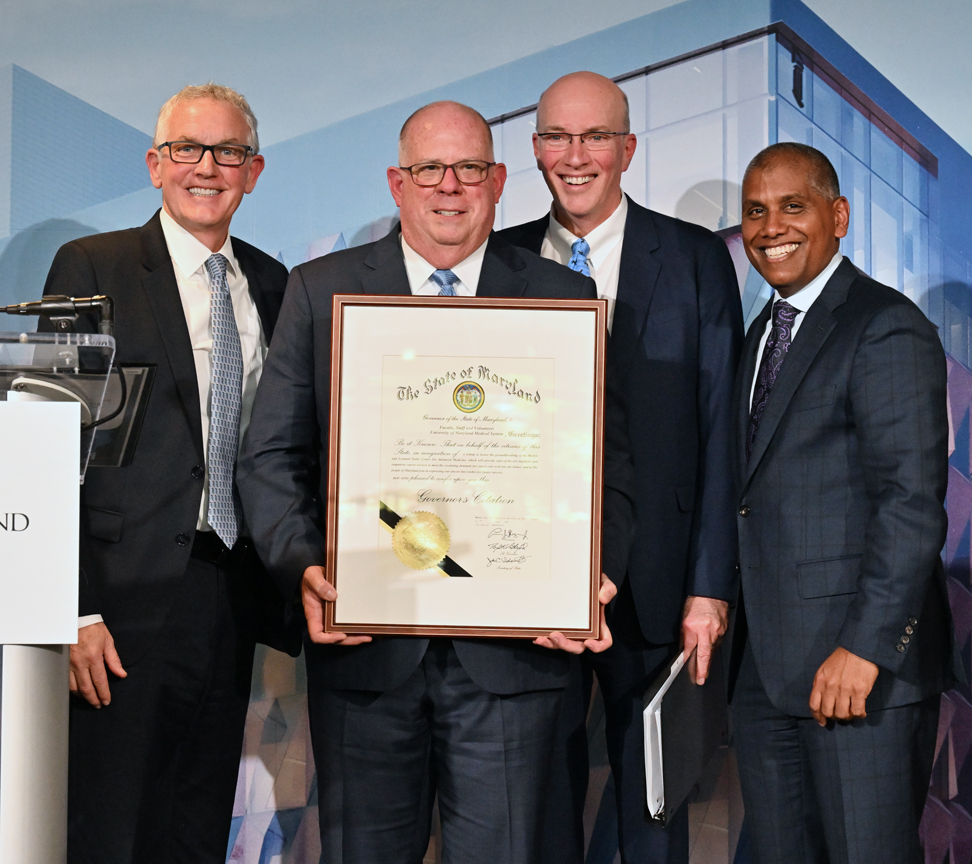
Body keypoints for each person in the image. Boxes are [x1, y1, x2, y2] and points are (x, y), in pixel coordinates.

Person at [238, 100, 631, 864]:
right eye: (429, 169)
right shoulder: (321, 290)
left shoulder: (563, 297)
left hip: (516, 661)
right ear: (398, 182)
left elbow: (609, 466)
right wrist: (307, 569)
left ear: (498, 180)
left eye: (470, 168)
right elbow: (270, 458)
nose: (450, 186)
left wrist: (592, 575)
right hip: (368, 654)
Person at [42, 83, 294, 864]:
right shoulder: (92, 266)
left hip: (230, 596)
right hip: (119, 608)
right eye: (188, 149)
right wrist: (73, 609)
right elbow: (41, 447)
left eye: (228, 152)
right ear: (156, 164)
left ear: (254, 171)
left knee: (197, 826)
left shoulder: (275, 282)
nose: (206, 168)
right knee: (112, 830)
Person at [499, 71, 743, 863]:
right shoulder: (497, 259)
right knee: (535, 810)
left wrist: (710, 587)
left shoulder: (696, 258)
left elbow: (721, 430)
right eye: (558, 137)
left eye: (595, 137)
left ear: (628, 149)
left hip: (658, 587)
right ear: (535, 149)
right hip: (524, 582)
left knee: (652, 816)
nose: (576, 156)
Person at [730, 142, 961, 863]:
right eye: (755, 211)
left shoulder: (884, 325)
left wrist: (865, 647)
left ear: (838, 216)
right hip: (766, 674)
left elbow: (910, 504)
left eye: (792, 206)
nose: (771, 227)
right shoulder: (759, 334)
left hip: (859, 676)